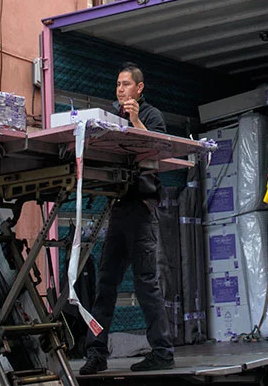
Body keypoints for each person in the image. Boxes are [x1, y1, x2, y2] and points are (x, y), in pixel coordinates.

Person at [79, 63, 175, 375]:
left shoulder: (151, 116)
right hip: (118, 209)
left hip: (142, 210)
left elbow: (157, 149)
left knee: (146, 284)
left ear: (139, 88)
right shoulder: (110, 117)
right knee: (105, 285)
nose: (120, 90)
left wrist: (134, 120)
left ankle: (162, 352)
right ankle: (96, 354)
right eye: (118, 85)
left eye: (126, 84)